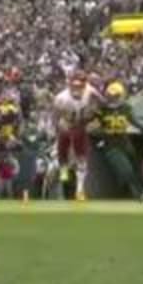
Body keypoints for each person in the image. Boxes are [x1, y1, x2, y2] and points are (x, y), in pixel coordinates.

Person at [90, 82, 143, 201]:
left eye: (115, 95)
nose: (112, 98)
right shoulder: (102, 110)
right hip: (111, 144)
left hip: (125, 142)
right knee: (125, 170)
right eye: (110, 95)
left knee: (136, 168)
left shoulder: (126, 108)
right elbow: (91, 128)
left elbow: (134, 121)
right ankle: (139, 194)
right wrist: (103, 132)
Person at [53, 71, 101, 202]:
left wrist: (95, 121)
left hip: (82, 125)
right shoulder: (61, 98)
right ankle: (64, 172)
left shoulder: (91, 92)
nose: (77, 89)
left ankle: (79, 189)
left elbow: (102, 107)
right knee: (63, 154)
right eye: (74, 86)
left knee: (81, 158)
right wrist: (58, 126)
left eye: (80, 86)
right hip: (67, 124)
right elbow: (56, 117)